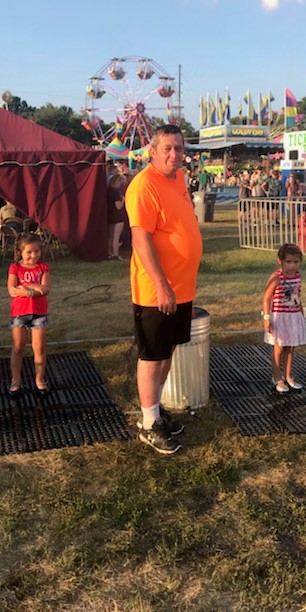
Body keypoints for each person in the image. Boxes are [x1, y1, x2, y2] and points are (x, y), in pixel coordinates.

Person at [124, 125, 203, 455]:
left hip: (182, 288)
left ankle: (155, 410)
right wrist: (161, 286)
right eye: (167, 149)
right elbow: (141, 239)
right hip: (157, 289)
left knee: (168, 349)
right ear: (152, 151)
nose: (174, 155)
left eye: (179, 149)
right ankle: (147, 422)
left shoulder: (180, 179)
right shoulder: (143, 186)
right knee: (152, 355)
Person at [7, 232, 51, 396]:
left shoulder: (43, 267)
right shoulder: (15, 267)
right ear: (20, 252)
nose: (34, 256)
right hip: (19, 313)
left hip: (39, 313)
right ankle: (16, 379)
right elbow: (12, 290)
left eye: (37, 251)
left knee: (39, 347)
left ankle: (39, 379)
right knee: (18, 347)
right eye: (29, 252)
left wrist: (28, 288)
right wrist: (35, 289)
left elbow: (45, 289)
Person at [261, 243, 306, 393]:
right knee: (279, 348)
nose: (292, 266)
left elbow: (297, 296)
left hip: (293, 316)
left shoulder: (298, 276)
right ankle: (277, 377)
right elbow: (267, 298)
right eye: (288, 262)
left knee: (291, 348)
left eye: (296, 262)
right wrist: (266, 318)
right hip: (280, 317)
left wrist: (302, 314)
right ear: (280, 261)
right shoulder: (276, 278)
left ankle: (288, 376)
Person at [105, 162, 126, 260]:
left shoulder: (108, 190)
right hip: (117, 216)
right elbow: (118, 206)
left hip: (109, 214)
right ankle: (116, 254)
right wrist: (123, 199)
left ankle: (109, 253)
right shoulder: (116, 192)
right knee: (116, 237)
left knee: (110, 236)